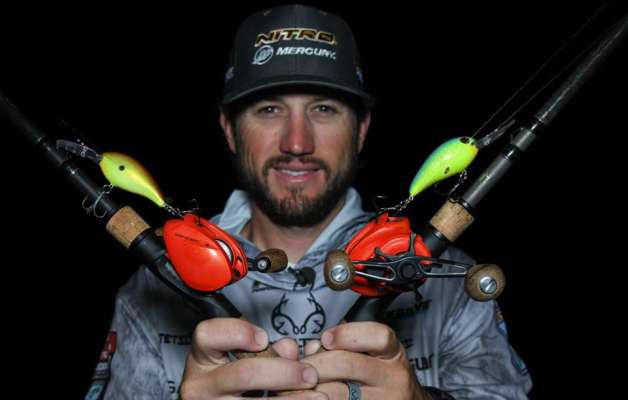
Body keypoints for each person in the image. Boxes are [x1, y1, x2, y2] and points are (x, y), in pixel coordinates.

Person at [85, 4, 532, 400]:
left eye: (323, 109)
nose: (297, 143)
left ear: (360, 129)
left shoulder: (448, 282)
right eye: (269, 109)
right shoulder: (152, 288)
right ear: (228, 130)